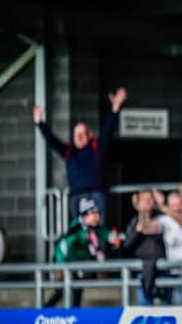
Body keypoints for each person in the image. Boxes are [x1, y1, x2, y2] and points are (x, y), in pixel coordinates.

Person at [32, 87, 128, 224]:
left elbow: (108, 129)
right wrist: (39, 123)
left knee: (98, 231)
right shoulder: (69, 152)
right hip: (76, 196)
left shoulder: (97, 148)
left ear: (90, 135)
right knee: (78, 232)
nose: (79, 137)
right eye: (76, 134)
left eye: (82, 133)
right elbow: (52, 141)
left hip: (96, 195)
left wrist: (116, 107)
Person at [45, 199, 120, 307]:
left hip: (79, 266)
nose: (97, 217)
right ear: (85, 216)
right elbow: (63, 246)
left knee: (77, 290)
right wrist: (59, 267)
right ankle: (46, 310)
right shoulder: (76, 228)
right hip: (67, 264)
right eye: (94, 214)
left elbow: (104, 233)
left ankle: (75, 312)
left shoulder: (92, 228)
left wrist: (112, 238)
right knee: (61, 291)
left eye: (97, 214)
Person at [124, 189, 168, 305]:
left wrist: (162, 205)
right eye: (145, 199)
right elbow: (127, 245)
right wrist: (138, 231)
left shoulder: (162, 219)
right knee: (144, 308)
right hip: (143, 272)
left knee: (166, 307)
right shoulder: (134, 221)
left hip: (163, 269)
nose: (148, 202)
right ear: (138, 203)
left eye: (151, 199)